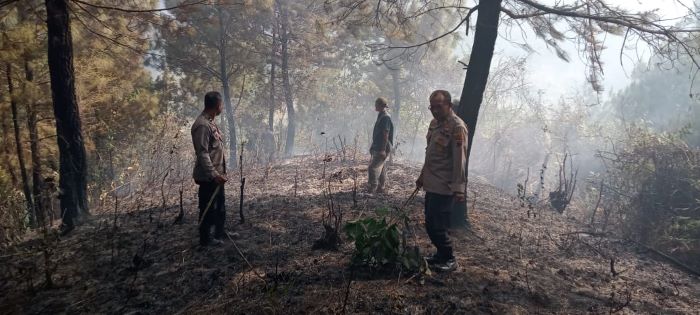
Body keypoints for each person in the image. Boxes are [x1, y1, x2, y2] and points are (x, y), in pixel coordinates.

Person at [416, 90, 468, 272]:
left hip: (445, 186)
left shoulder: (458, 127)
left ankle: (450, 259)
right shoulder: (434, 124)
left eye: (439, 106)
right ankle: (440, 255)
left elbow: (459, 160)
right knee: (430, 223)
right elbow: (430, 153)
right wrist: (422, 176)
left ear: (449, 106)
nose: (435, 111)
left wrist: (459, 189)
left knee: (436, 225)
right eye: (432, 107)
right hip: (432, 183)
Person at [191, 91, 228, 247]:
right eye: (222, 105)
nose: (222, 108)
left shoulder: (210, 122)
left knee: (220, 205)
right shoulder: (202, 125)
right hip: (209, 177)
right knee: (207, 208)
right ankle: (206, 240)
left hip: (217, 175)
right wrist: (214, 175)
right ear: (217, 106)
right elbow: (203, 154)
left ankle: (220, 233)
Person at [368, 97, 394, 194]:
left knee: (372, 168)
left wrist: (383, 149)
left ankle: (372, 188)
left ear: (380, 106)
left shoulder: (385, 117)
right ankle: (381, 187)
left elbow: (385, 133)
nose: (375, 106)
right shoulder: (381, 115)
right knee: (381, 167)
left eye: (376, 104)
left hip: (382, 147)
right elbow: (378, 133)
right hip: (378, 146)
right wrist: (373, 146)